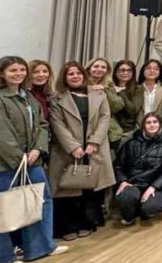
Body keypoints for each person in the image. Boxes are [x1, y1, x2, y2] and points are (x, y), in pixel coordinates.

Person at [0, 56, 68, 263]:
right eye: (13, 70)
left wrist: (37, 149)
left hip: (32, 160)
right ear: (2, 73)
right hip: (3, 164)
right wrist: (20, 158)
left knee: (40, 200)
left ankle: (40, 247)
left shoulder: (28, 97)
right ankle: (1, 259)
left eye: (21, 70)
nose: (18, 74)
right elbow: (0, 133)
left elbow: (42, 125)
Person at [49, 62, 115, 240]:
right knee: (68, 189)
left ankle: (87, 222)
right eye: (71, 74)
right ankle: (67, 227)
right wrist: (73, 147)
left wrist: (94, 142)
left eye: (78, 73)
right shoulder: (57, 98)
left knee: (90, 188)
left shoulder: (99, 94)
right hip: (68, 150)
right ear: (64, 77)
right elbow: (57, 124)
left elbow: (105, 118)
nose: (75, 76)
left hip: (93, 149)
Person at [113, 112, 162, 226]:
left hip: (154, 185)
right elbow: (118, 165)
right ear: (143, 125)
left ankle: (143, 211)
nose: (152, 125)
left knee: (150, 208)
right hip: (133, 183)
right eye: (148, 123)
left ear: (160, 124)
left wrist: (154, 186)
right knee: (125, 198)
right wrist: (123, 181)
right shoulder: (131, 143)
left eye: (155, 122)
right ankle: (129, 216)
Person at [85, 57, 127, 152]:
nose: (99, 69)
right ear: (89, 68)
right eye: (96, 66)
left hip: (108, 129)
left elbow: (117, 106)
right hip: (87, 125)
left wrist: (105, 91)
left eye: (103, 67)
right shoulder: (81, 82)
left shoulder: (108, 84)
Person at [130, 59, 162, 125]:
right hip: (140, 126)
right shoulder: (136, 88)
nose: (152, 71)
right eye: (148, 68)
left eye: (156, 69)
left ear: (160, 72)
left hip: (160, 126)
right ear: (143, 71)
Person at [28, 59, 56, 126]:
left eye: (45, 71)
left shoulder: (52, 96)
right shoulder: (23, 95)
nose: (41, 75)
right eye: (35, 72)